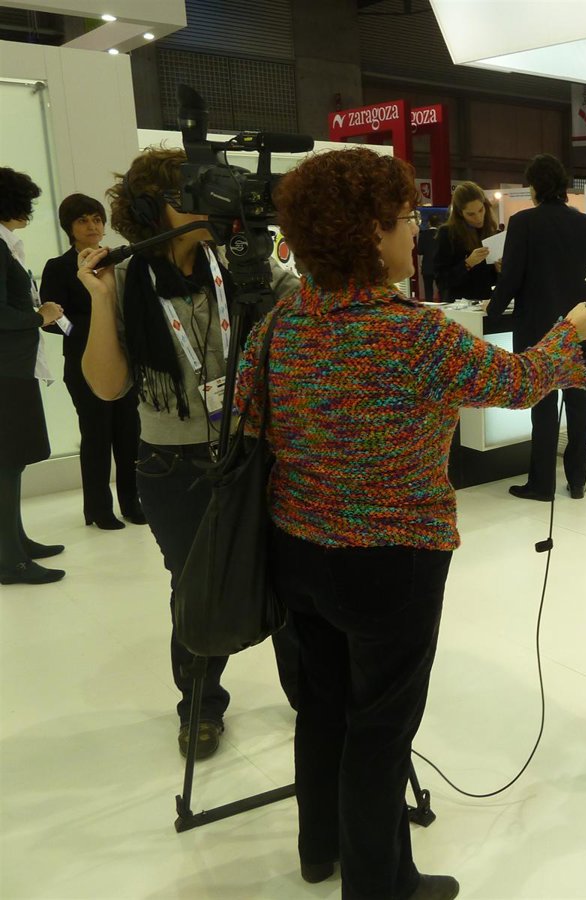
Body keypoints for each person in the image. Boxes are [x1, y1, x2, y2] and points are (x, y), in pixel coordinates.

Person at [233, 146, 586, 897]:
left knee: (322, 707)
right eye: (405, 219)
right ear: (370, 233)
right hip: (390, 558)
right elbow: (520, 382)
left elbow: (250, 420)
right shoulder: (412, 334)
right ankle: (383, 886)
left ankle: (320, 849)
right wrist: (571, 331)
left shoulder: (280, 324)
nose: (416, 233)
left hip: (296, 547)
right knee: (380, 725)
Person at [76, 147, 300, 761]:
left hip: (255, 447)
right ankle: (200, 705)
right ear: (153, 208)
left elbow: (303, 311)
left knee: (287, 573)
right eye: (191, 194)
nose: (211, 204)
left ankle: (308, 691)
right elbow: (108, 387)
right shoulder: (125, 280)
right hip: (173, 465)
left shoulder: (241, 261)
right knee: (196, 589)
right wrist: (98, 301)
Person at [488, 153, 586, 501]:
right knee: (579, 404)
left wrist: (492, 311)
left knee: (542, 407)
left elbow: (511, 277)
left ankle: (542, 484)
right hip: (581, 327)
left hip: (538, 329)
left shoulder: (523, 222)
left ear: (534, 187)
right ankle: (578, 480)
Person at [39, 193, 143, 530]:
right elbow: (53, 321)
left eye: (97, 219)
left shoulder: (119, 262)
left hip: (123, 360)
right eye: (83, 220)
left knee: (129, 433)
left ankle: (132, 502)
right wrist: (92, 329)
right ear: (69, 227)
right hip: (83, 362)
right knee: (97, 435)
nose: (92, 226)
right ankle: (98, 509)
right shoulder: (59, 267)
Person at [0, 167, 66, 585]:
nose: (29, 210)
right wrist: (39, 316)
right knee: (7, 464)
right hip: (6, 371)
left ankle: (16, 542)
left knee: (14, 462)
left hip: (14, 368)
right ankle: (10, 560)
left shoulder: (7, 245)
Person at [434, 182, 498, 301]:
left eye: (481, 210)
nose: (478, 218)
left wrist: (500, 270)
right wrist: (468, 263)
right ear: (460, 213)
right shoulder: (447, 234)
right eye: (471, 214)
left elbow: (491, 280)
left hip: (485, 304)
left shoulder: (491, 231)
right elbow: (442, 281)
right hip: (458, 305)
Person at [416, 213, 441, 301]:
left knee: (428, 290)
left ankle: (429, 306)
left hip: (427, 266)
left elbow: (420, 251)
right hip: (440, 266)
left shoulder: (423, 234)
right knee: (442, 290)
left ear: (429, 223)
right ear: (439, 223)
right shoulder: (442, 234)